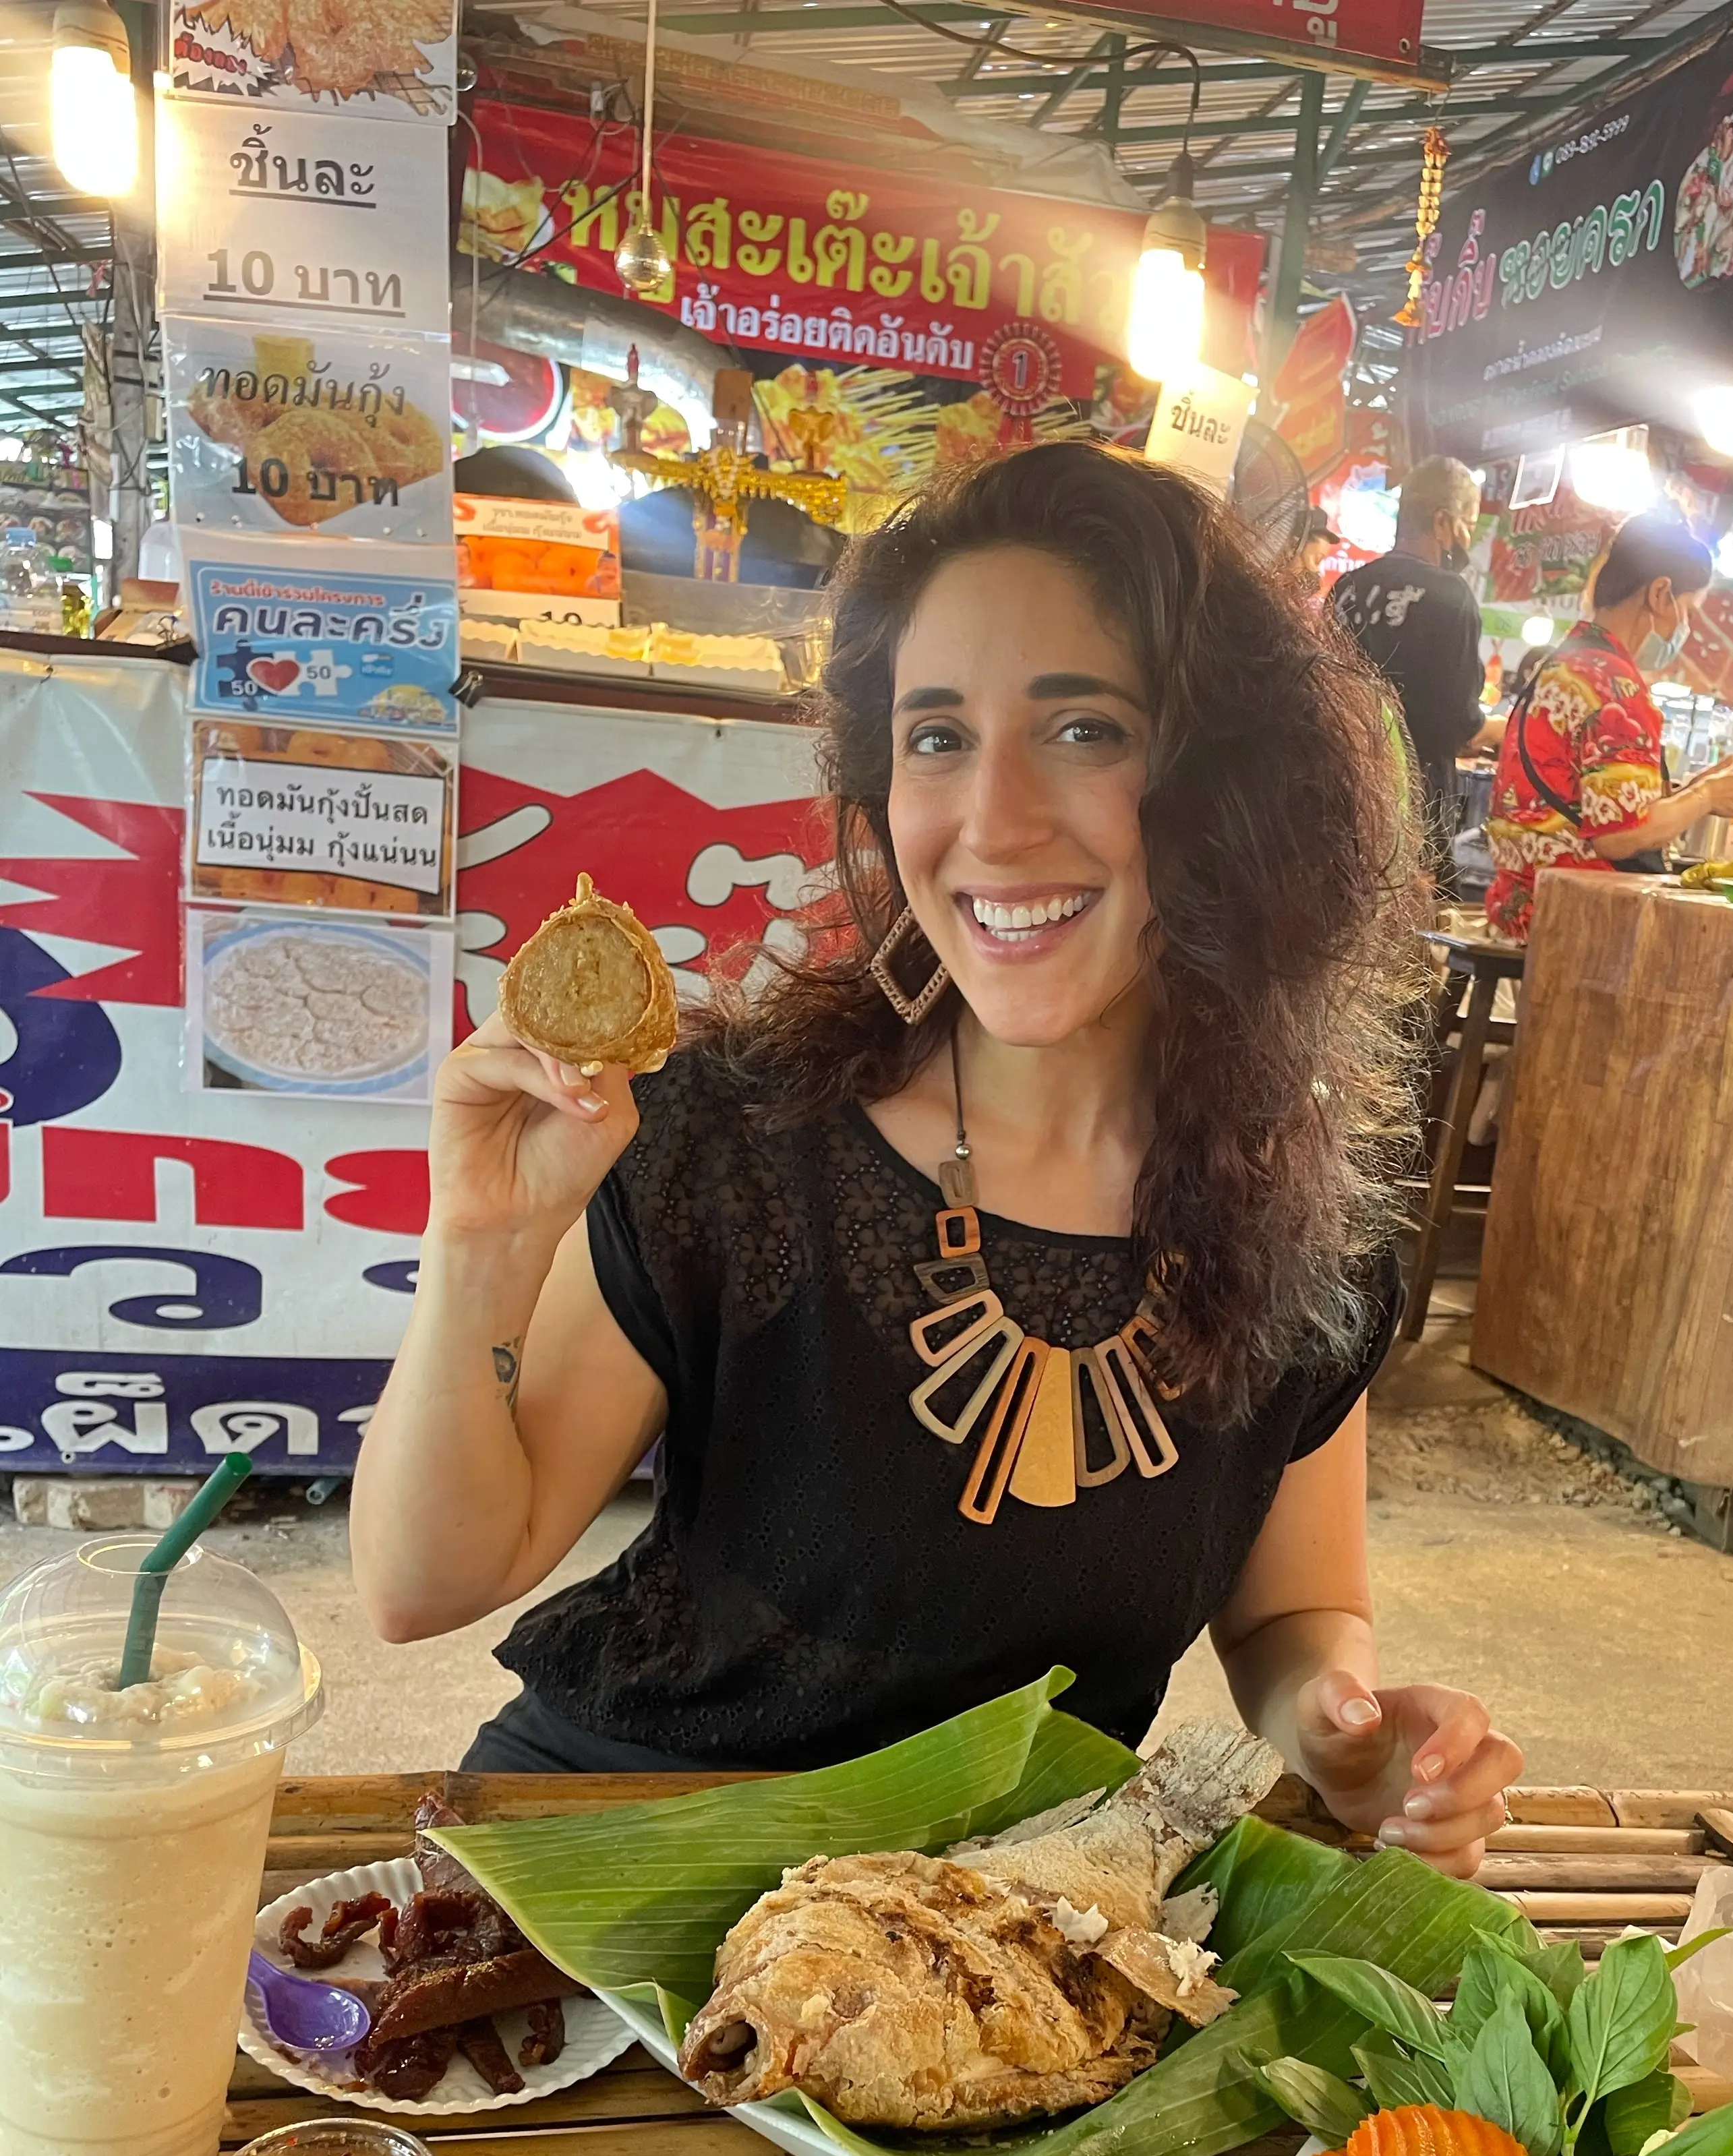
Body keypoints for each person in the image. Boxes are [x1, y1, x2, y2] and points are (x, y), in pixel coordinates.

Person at [351, 442, 1522, 1877]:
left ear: (1228, 780)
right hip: (619, 1863)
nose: (993, 821)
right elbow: (425, 1585)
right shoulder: (737, 1135)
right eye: (936, 737)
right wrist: (478, 1252)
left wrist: (1346, 1730)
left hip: (992, 1947)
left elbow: (1292, 1620)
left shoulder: (1306, 1225)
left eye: (1085, 729)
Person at [1485, 514, 1733, 940]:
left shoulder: (1565, 663)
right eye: (1688, 611)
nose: (1685, 628)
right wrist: (1705, 797)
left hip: (1522, 901)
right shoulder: (1612, 684)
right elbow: (1619, 835)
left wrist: (1688, 795)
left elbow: (1594, 802)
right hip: (1581, 917)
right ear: (1660, 593)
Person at [1327, 456, 1502, 896]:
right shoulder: (1450, 594)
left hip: (1337, 798)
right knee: (1411, 944)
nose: (1467, 537)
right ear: (1442, 523)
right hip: (1414, 808)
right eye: (1468, 523)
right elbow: (1460, 730)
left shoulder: (1345, 589)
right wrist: (1508, 729)